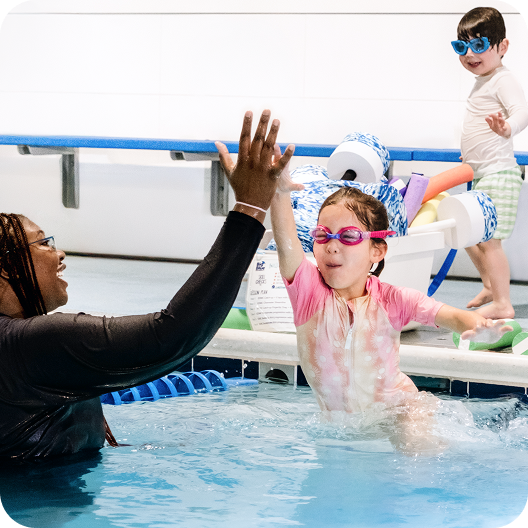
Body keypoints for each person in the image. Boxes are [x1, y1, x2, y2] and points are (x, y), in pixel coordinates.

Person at [0, 110, 294, 461]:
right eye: (43, 242)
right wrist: (249, 209)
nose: (58, 253)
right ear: (5, 271)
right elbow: (171, 335)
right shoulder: (32, 345)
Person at [270, 162, 511, 454]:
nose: (332, 246)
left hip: (403, 412)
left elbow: (448, 315)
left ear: (377, 250)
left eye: (348, 237)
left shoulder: (393, 300)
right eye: (323, 236)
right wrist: (279, 193)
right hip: (344, 428)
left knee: (415, 451)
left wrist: (477, 326)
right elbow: (286, 243)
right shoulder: (309, 295)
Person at [453, 7, 528, 318]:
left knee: (490, 240)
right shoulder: (483, 80)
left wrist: (508, 128)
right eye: (462, 46)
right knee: (464, 230)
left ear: (502, 47)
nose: (470, 53)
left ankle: (502, 303)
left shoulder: (501, 78)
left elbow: (522, 110)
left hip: (500, 175)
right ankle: (489, 284)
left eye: (480, 45)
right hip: (484, 173)